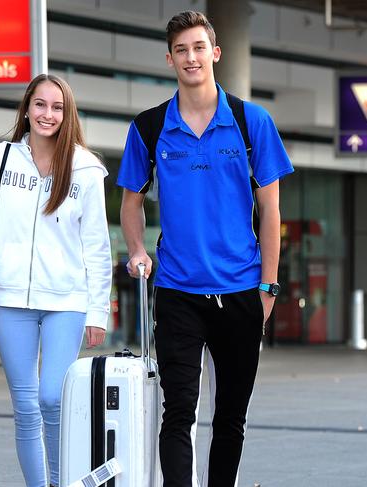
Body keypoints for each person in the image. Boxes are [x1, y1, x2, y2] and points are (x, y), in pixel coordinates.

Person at [117, 11, 293, 487]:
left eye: (199, 47)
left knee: (231, 416)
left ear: (215, 52)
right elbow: (130, 202)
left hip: (241, 289)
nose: (190, 57)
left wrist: (269, 287)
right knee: (178, 412)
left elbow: (271, 211)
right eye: (181, 50)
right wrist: (137, 249)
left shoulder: (251, 121)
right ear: (170, 58)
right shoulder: (150, 127)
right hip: (177, 290)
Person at [0, 73, 112, 487]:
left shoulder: (86, 168)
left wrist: (98, 310)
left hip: (66, 300)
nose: (48, 114)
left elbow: (97, 246)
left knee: (52, 399)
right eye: (40, 104)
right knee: (25, 407)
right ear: (27, 107)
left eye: (57, 107)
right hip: (9, 300)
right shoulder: (2, 157)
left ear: (67, 114)